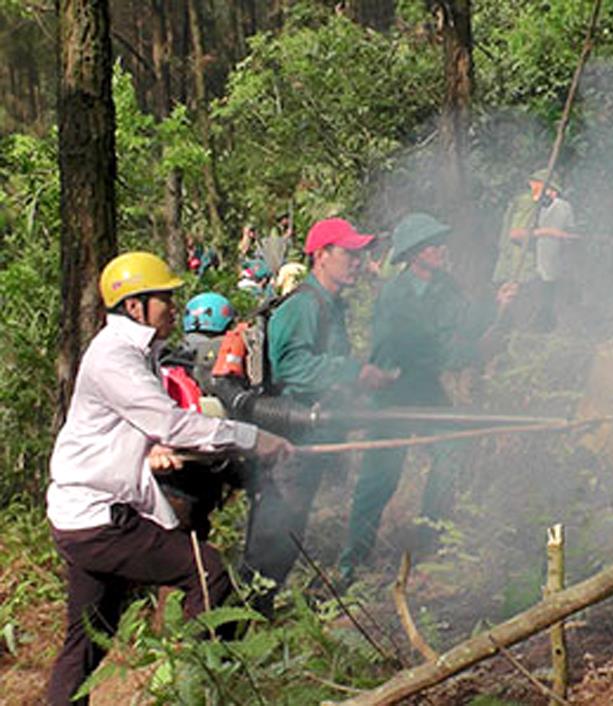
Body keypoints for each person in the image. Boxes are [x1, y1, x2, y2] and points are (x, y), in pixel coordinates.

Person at [45, 252, 293, 705]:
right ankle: (196, 690)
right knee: (210, 573)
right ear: (135, 306)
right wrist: (252, 438)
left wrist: (153, 445)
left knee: (87, 638)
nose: (173, 307)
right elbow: (171, 422)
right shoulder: (115, 357)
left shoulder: (134, 353)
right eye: (164, 298)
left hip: (85, 513)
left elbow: (145, 425)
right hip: (99, 518)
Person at [240, 217, 397, 611]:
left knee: (287, 535)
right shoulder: (303, 306)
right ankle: (231, 634)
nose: (358, 262)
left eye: (361, 254)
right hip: (289, 439)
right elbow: (292, 368)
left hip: (310, 437)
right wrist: (354, 372)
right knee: (273, 539)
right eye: (349, 253)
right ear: (321, 256)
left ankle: (250, 621)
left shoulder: (330, 306)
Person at [338, 213, 486, 586]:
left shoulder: (446, 287)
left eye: (440, 242)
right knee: (381, 477)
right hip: (392, 390)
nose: (440, 249)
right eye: (431, 244)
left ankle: (431, 545)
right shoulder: (396, 295)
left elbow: (465, 327)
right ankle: (352, 563)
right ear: (414, 253)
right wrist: (454, 353)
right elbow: (416, 346)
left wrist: (497, 306)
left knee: (449, 454)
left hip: (425, 386)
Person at [491, 169, 578, 332]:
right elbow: (515, 235)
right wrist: (551, 232)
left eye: (555, 192)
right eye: (550, 189)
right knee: (522, 323)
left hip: (518, 269)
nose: (552, 196)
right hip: (519, 270)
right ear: (535, 184)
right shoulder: (528, 202)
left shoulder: (527, 203)